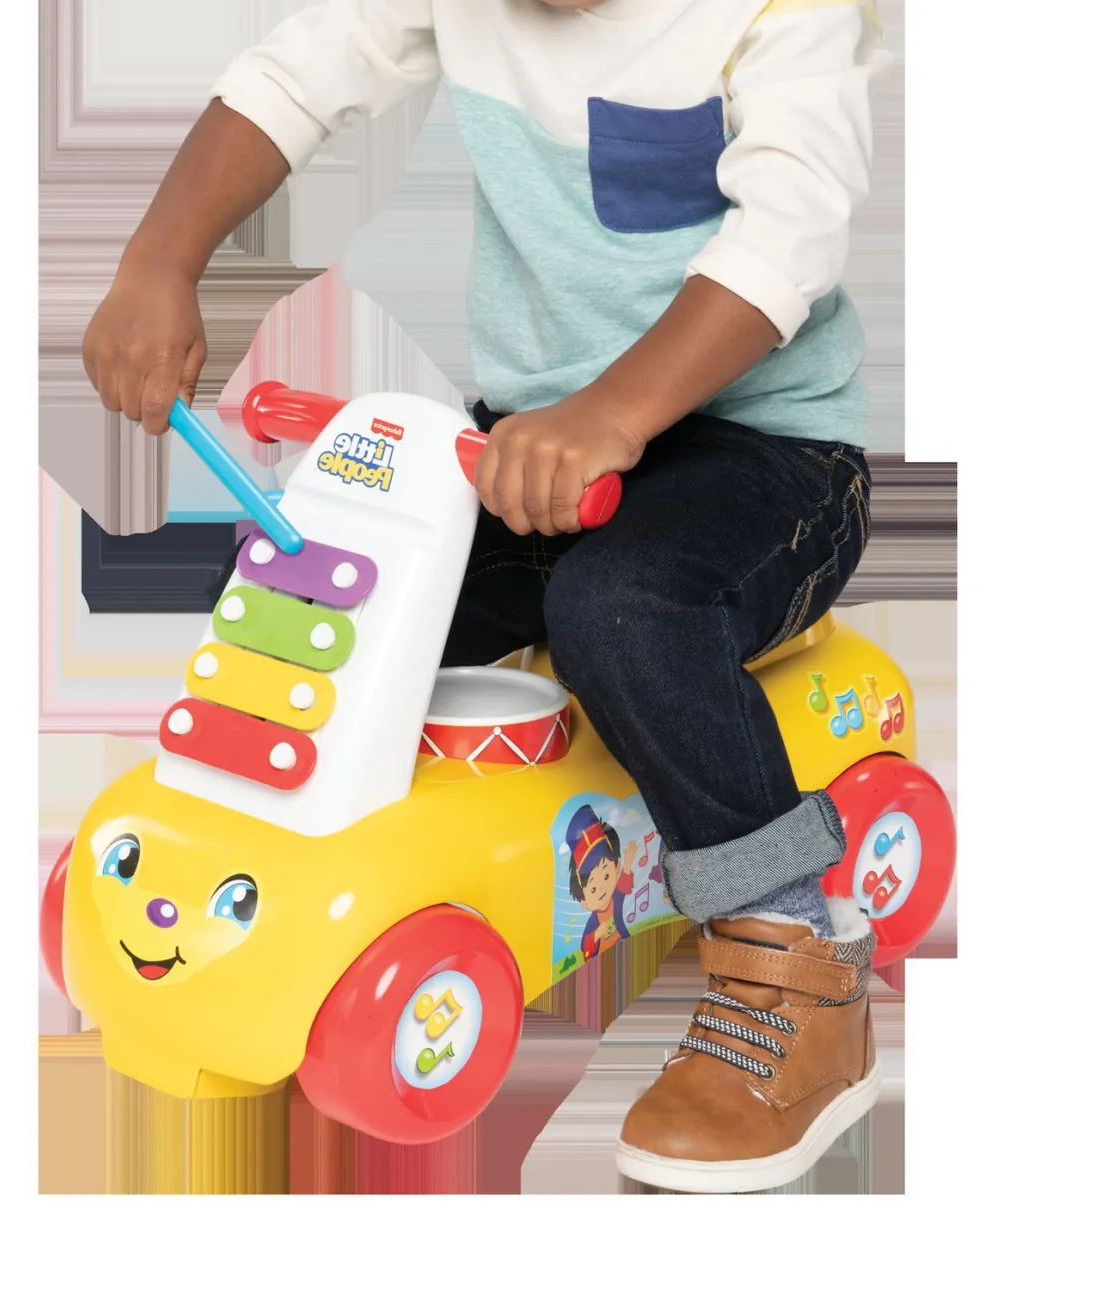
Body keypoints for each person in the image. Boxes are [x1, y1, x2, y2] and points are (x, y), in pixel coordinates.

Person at [82, 0, 890, 1193]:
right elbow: (295, 76)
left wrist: (613, 415)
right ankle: (277, 887)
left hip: (767, 458)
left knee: (622, 610)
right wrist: (158, 262)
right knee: (302, 597)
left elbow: (788, 238)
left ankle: (794, 960)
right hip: (531, 450)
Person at [565, 806, 636, 961]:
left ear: (617, 867)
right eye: (593, 889)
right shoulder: (593, 921)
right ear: (583, 901)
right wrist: (597, 934)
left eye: (606, 875)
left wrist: (629, 862)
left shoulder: (615, 899)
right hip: (602, 958)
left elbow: (623, 886)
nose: (602, 888)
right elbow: (585, 946)